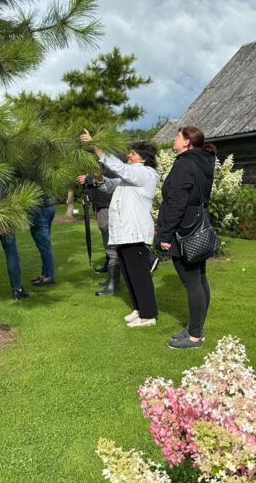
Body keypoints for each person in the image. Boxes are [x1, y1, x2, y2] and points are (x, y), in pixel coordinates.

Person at [80, 130, 159, 327]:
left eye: (132, 153)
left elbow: (120, 169)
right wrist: (99, 177)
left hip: (134, 233)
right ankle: (139, 309)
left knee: (139, 275)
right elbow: (109, 185)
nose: (128, 155)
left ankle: (148, 315)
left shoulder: (145, 173)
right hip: (124, 234)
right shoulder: (130, 177)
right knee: (130, 274)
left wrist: (96, 146)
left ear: (143, 158)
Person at [157, 125, 216, 348]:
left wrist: (165, 234)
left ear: (187, 142)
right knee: (200, 278)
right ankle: (196, 328)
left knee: (192, 282)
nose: (174, 139)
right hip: (197, 224)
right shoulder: (203, 160)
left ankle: (194, 337)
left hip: (183, 229)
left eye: (177, 136)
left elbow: (177, 202)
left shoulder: (185, 163)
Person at [76, 172, 120, 296]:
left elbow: (109, 178)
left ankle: (114, 282)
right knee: (108, 241)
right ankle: (112, 278)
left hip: (107, 204)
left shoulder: (108, 161)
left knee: (111, 241)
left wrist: (88, 178)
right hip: (102, 204)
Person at [29, 192, 56, 286]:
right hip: (50, 206)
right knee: (45, 243)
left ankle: (48, 275)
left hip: (40, 209)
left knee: (44, 245)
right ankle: (44, 273)